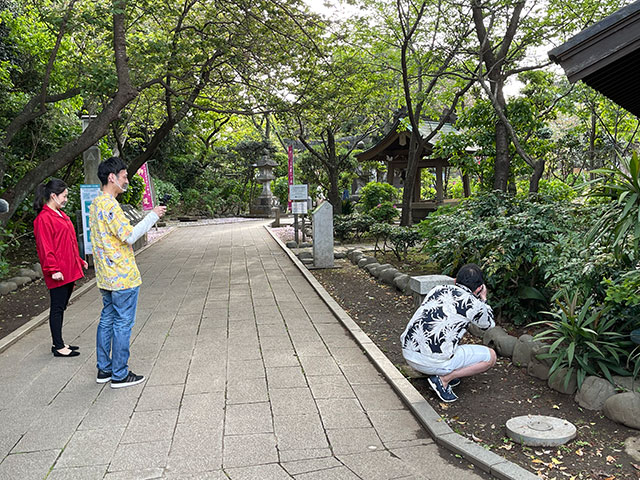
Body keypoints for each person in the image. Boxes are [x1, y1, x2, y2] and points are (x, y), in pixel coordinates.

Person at [89, 157, 166, 388]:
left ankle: (104, 369)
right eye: (124, 176)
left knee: (107, 320)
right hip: (122, 276)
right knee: (122, 323)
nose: (126, 181)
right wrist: (152, 215)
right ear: (111, 177)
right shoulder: (111, 206)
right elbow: (129, 236)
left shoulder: (95, 205)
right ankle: (120, 374)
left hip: (105, 276)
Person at [400, 263, 496, 402]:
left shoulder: (437, 289)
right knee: (490, 357)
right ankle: (444, 379)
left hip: (409, 353)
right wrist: (484, 300)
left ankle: (443, 372)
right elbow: (488, 324)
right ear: (480, 288)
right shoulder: (475, 305)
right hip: (431, 361)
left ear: (455, 280)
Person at [33, 178, 88, 357]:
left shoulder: (60, 215)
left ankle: (60, 342)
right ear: (53, 195)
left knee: (61, 306)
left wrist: (79, 261)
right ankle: (58, 346)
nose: (66, 199)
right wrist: (52, 269)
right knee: (57, 307)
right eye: (64, 196)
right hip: (57, 271)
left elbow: (69, 242)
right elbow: (45, 247)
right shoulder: (44, 218)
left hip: (67, 268)